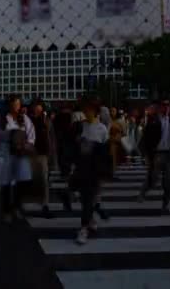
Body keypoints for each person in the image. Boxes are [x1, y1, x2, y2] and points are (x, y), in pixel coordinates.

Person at [0, 95, 35, 223]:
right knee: (6, 183)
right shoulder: (2, 119)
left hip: (20, 152)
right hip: (6, 152)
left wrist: (28, 144)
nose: (16, 107)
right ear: (9, 105)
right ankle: (6, 211)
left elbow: (31, 134)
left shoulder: (24, 118)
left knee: (21, 182)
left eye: (18, 104)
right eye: (14, 104)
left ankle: (16, 206)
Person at [73, 99, 110, 244]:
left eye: (89, 110)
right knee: (86, 199)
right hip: (82, 168)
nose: (86, 113)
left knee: (90, 198)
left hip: (95, 169)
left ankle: (83, 228)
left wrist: (105, 170)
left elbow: (106, 152)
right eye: (84, 110)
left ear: (95, 111)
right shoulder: (80, 126)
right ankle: (91, 220)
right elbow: (75, 146)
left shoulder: (102, 129)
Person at [138, 99, 170, 215]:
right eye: (164, 106)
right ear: (160, 108)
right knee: (153, 178)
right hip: (157, 154)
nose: (166, 108)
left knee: (169, 182)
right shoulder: (153, 121)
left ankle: (166, 205)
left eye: (168, 106)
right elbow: (145, 138)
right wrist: (145, 155)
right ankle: (143, 192)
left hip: (169, 155)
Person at [29, 100, 54, 218]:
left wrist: (52, 155)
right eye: (36, 108)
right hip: (30, 154)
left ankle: (45, 205)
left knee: (44, 180)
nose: (38, 111)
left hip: (43, 154)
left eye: (40, 109)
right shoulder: (28, 120)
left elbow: (51, 138)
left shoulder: (46, 121)